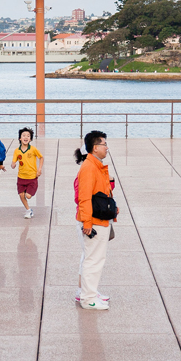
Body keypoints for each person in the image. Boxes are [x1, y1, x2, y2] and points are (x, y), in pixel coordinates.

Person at [75, 131, 117, 311]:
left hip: (98, 219)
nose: (107, 148)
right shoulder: (89, 167)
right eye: (104, 144)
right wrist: (87, 223)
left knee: (92, 258)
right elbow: (84, 197)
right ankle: (88, 298)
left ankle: (89, 293)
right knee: (94, 260)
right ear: (95, 147)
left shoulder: (94, 165)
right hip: (94, 221)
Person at [10, 127, 43, 219]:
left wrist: (39, 169)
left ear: (30, 139)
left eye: (28, 136)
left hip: (32, 177)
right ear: (20, 138)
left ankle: (31, 190)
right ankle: (28, 210)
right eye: (23, 135)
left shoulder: (33, 149)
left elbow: (41, 157)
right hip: (21, 177)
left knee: (28, 196)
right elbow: (13, 162)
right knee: (21, 195)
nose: (26, 137)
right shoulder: (17, 151)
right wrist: (13, 165)